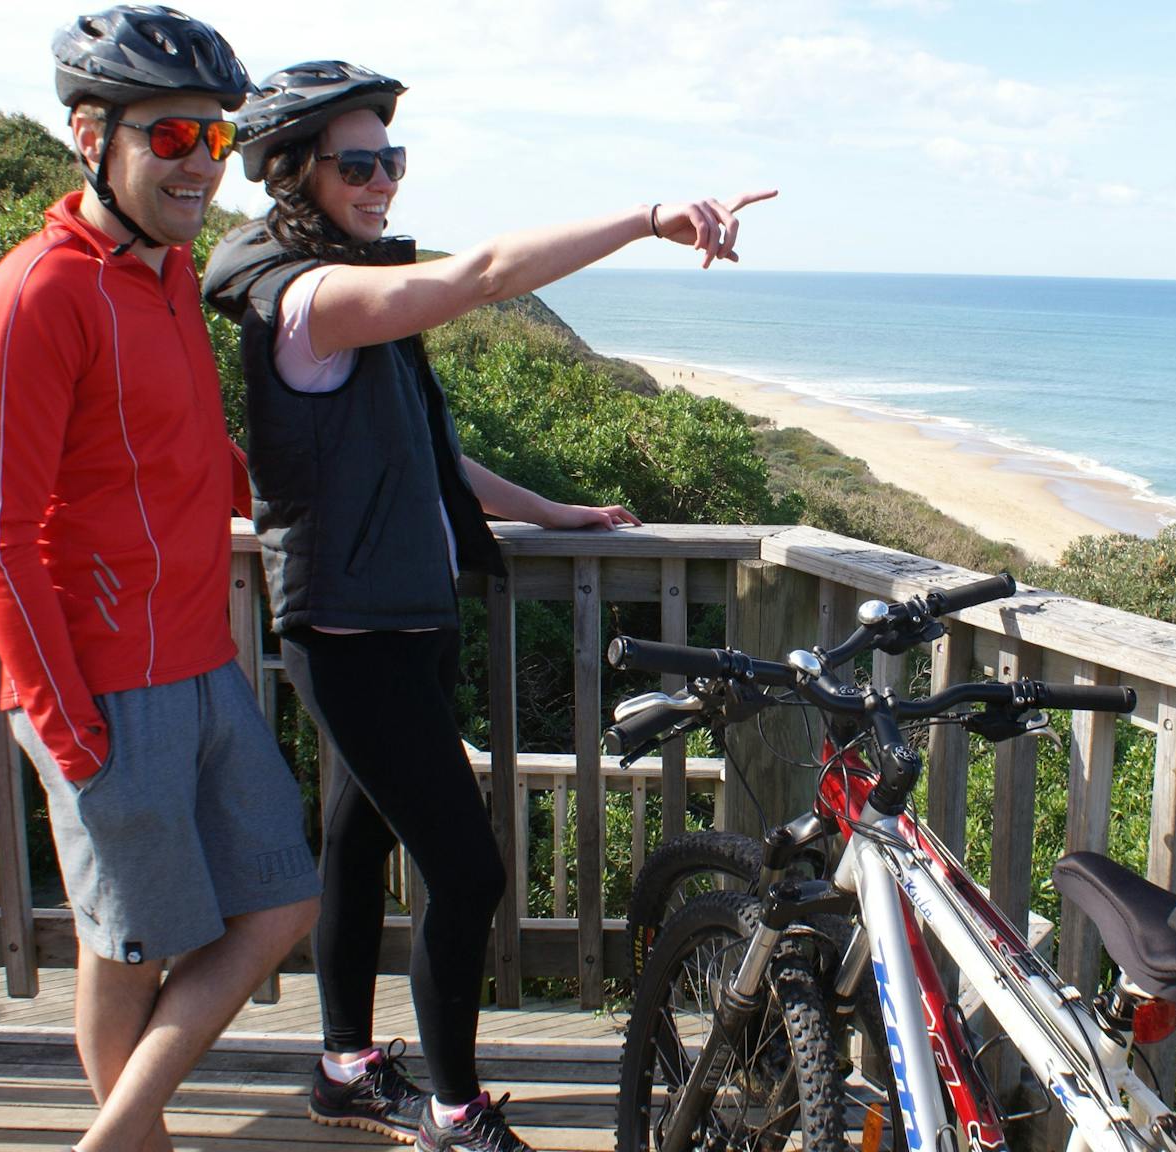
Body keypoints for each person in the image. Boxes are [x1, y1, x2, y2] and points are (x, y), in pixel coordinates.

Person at [202, 59, 773, 1152]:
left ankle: (344, 1065)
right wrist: (649, 215)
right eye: (357, 164)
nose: (382, 183)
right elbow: (481, 277)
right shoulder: (313, 298)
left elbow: (425, 453)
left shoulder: (344, 283)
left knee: (358, 836)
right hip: (347, 627)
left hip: (394, 617)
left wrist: (548, 510)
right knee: (466, 868)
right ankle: (456, 1113)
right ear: (293, 173)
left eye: (392, 160)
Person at [0, 9, 321, 1152]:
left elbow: (188, 453)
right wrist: (70, 733)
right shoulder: (35, 296)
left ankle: (113, 1137)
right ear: (89, 134)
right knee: (130, 944)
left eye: (215, 142)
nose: (199, 166)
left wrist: (310, 502)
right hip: (101, 684)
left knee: (277, 902)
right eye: (171, 138)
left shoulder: (164, 280)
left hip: (202, 657)